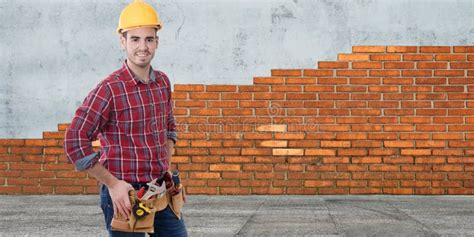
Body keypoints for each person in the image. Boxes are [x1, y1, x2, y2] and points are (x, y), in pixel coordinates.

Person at [64, 0, 187, 236]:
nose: (143, 46)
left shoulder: (162, 82)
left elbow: (168, 127)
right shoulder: (109, 89)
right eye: (135, 39)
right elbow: (74, 141)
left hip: (160, 190)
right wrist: (112, 183)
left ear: (157, 42)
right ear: (123, 41)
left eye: (149, 39)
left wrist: (165, 166)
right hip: (125, 195)